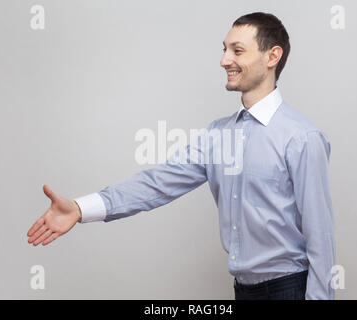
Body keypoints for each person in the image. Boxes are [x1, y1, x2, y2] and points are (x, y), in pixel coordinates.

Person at [27, 12, 335, 300]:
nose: (224, 60)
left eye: (237, 51)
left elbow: (320, 235)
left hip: (289, 288)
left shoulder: (302, 137)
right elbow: (156, 183)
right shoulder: (217, 135)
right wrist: (80, 208)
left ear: (272, 56)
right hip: (242, 290)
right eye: (224, 50)